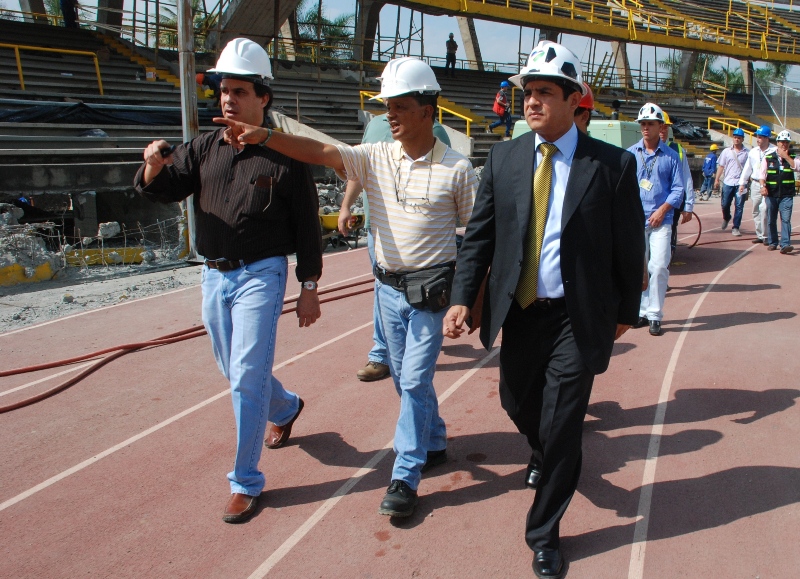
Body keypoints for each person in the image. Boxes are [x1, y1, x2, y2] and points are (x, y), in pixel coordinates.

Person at [214, 56, 478, 518]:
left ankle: (405, 474)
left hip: (431, 293)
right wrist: (265, 136)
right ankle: (433, 438)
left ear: (427, 111)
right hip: (388, 292)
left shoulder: (458, 169)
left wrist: (467, 301)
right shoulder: (375, 155)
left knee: (415, 378)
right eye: (386, 106)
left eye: (399, 106)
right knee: (405, 379)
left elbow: (475, 237)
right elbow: (322, 152)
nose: (389, 115)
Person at [443, 41, 645, 579]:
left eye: (544, 92)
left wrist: (627, 312)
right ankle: (547, 452)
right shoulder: (505, 158)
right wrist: (462, 297)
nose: (531, 101)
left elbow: (630, 248)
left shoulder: (613, 165)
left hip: (577, 317)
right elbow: (479, 237)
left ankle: (544, 533)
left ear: (574, 100)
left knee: (563, 423)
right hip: (520, 311)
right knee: (516, 403)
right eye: (527, 92)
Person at [134, 38, 322, 524]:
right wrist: (153, 164)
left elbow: (307, 224)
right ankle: (285, 408)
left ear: (263, 98)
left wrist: (309, 286)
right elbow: (165, 189)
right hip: (214, 275)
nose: (228, 99)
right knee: (235, 370)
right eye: (223, 90)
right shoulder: (203, 148)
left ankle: (245, 481)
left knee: (245, 376)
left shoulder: (285, 156)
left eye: (239, 91)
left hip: (262, 273)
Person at [338, 114, 451, 382]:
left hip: (417, 235)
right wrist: (346, 205)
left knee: (421, 294)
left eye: (399, 104)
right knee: (384, 288)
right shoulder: (375, 126)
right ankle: (382, 353)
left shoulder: (435, 130)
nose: (392, 111)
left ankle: (407, 349)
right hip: (378, 228)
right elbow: (359, 169)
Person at [629, 103, 684, 337]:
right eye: (642, 124)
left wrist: (662, 210)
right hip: (636, 221)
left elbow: (678, 189)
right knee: (639, 269)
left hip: (661, 221)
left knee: (659, 266)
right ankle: (642, 311)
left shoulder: (671, 156)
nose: (645, 128)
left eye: (650, 124)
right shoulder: (631, 154)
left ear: (660, 126)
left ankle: (655, 315)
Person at [659, 111, 694, 258]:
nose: (662, 131)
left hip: (672, 204)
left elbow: (686, 179)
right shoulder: (639, 150)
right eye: (660, 127)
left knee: (666, 239)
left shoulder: (677, 150)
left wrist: (688, 206)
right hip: (650, 205)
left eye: (665, 127)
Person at [759, 130, 798, 254]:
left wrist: (786, 156)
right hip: (771, 193)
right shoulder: (768, 157)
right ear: (777, 143)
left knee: (786, 219)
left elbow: (797, 167)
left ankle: (785, 244)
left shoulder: (793, 157)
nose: (784, 144)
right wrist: (762, 186)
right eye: (782, 142)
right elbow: (762, 174)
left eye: (786, 142)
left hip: (787, 194)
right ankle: (773, 242)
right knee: (771, 219)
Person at [739, 125, 775, 245]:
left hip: (767, 184)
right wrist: (742, 183)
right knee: (755, 210)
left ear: (767, 138)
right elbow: (747, 168)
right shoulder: (753, 152)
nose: (757, 139)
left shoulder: (774, 151)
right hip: (754, 183)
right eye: (757, 137)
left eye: (760, 137)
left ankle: (766, 235)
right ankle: (760, 235)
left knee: (764, 209)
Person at [715, 127, 749, 236]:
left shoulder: (747, 153)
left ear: (742, 139)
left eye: (739, 138)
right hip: (728, 182)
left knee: (739, 206)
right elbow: (721, 166)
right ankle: (726, 217)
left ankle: (736, 227)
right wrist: (716, 179)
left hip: (741, 183)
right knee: (725, 204)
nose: (736, 139)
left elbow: (750, 168)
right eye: (735, 137)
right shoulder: (726, 151)